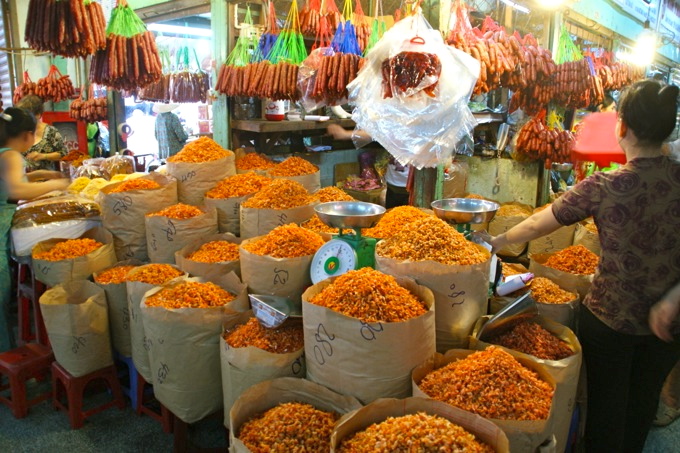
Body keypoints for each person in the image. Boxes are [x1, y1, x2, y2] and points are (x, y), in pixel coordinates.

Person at [488, 80, 680, 452]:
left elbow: (538, 223)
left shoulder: (606, 185)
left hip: (611, 317)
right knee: (641, 406)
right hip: (669, 326)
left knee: (607, 409)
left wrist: (495, 241)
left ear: (621, 126)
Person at [0, 107, 69, 352]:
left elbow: (13, 181)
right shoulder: (11, 156)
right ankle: (6, 359)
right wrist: (57, 183)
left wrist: (39, 175)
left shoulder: (4, 153)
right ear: (28, 135)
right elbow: (16, 190)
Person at [327, 124, 410, 208]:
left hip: (412, 188)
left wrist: (345, 134)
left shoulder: (420, 128)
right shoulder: (396, 124)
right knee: (393, 216)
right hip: (393, 185)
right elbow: (375, 134)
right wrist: (345, 134)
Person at [16, 95, 67, 172]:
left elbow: (64, 153)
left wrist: (43, 156)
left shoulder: (51, 132)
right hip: (25, 179)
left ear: (38, 115)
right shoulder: (20, 132)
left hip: (47, 180)